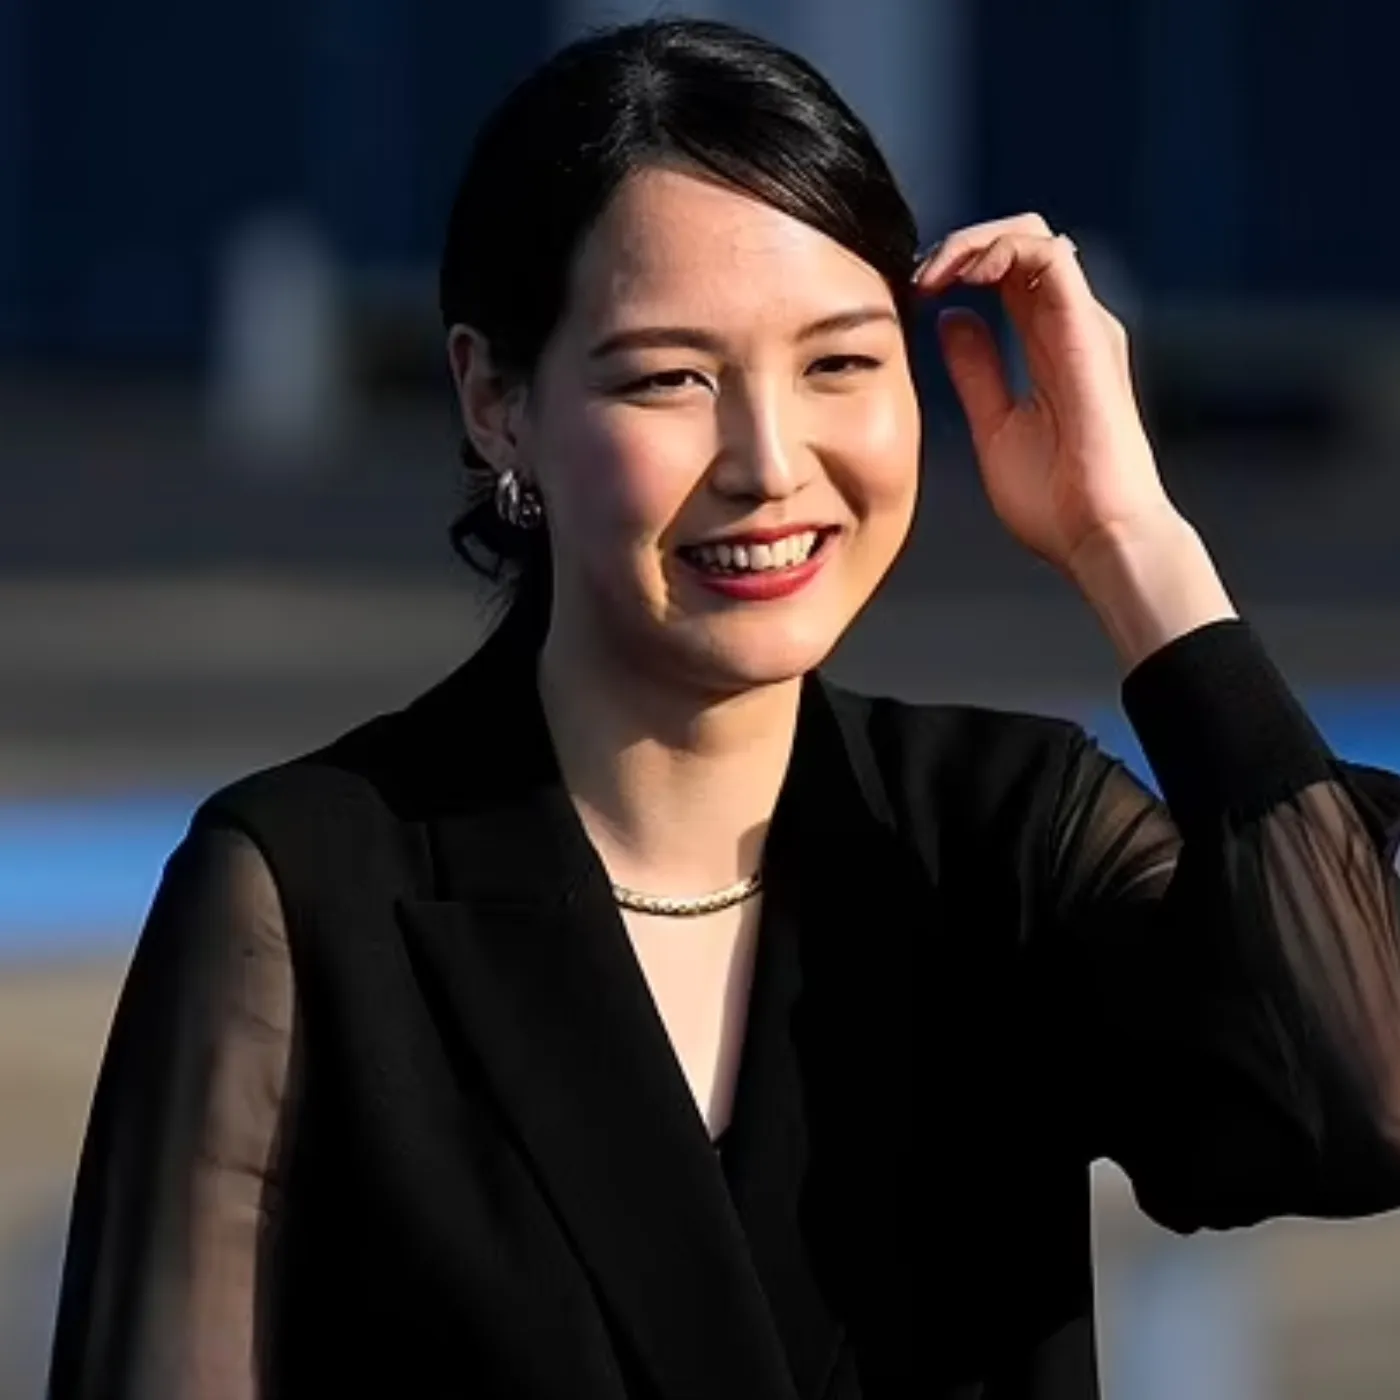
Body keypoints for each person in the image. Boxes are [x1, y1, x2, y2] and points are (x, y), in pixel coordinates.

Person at [47, 16, 1400, 1400]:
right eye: (670, 378)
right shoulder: (301, 894)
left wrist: (1132, 540)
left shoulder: (1004, 836)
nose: (769, 462)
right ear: (496, 399)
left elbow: (1360, 1102)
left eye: (841, 364)